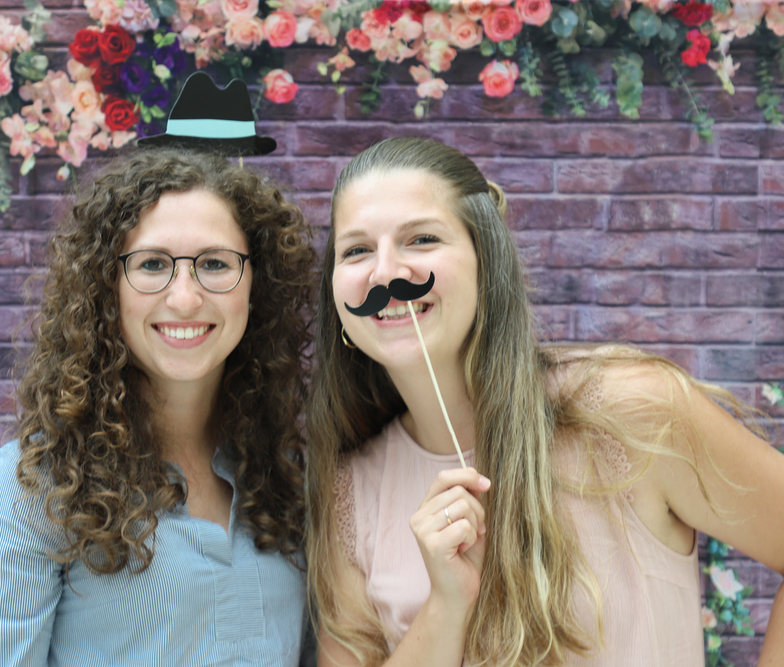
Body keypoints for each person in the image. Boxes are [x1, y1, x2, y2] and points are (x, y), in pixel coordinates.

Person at [306, 137, 784, 667]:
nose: (384, 273)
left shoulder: (630, 413)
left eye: (421, 239)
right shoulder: (352, 493)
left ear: (486, 262)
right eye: (356, 250)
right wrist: (445, 606)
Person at [0, 148, 316, 666]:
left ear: (256, 285)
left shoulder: (288, 477)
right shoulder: (27, 490)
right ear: (107, 288)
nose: (185, 298)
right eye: (152, 264)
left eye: (215, 263)